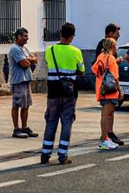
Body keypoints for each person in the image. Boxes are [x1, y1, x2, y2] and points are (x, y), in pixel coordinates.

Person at [41, 22, 85, 165]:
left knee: (51, 121)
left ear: (60, 34)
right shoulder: (76, 52)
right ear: (72, 36)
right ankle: (62, 155)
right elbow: (82, 71)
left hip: (53, 92)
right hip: (69, 92)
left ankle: (45, 154)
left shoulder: (50, 50)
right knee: (67, 122)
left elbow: (48, 64)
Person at [91, 38, 124, 150]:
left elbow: (94, 69)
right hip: (110, 90)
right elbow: (115, 77)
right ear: (112, 47)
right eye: (115, 46)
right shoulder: (111, 58)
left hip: (102, 89)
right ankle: (104, 140)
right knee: (106, 115)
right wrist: (120, 90)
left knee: (106, 114)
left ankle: (105, 138)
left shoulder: (101, 56)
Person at [8, 27, 39, 138]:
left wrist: (29, 60)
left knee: (26, 105)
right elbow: (25, 64)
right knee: (17, 105)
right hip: (18, 81)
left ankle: (25, 127)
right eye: (25, 36)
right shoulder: (15, 49)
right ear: (19, 37)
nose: (27, 38)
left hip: (26, 80)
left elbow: (35, 59)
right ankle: (16, 129)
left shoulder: (24, 49)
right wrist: (30, 60)